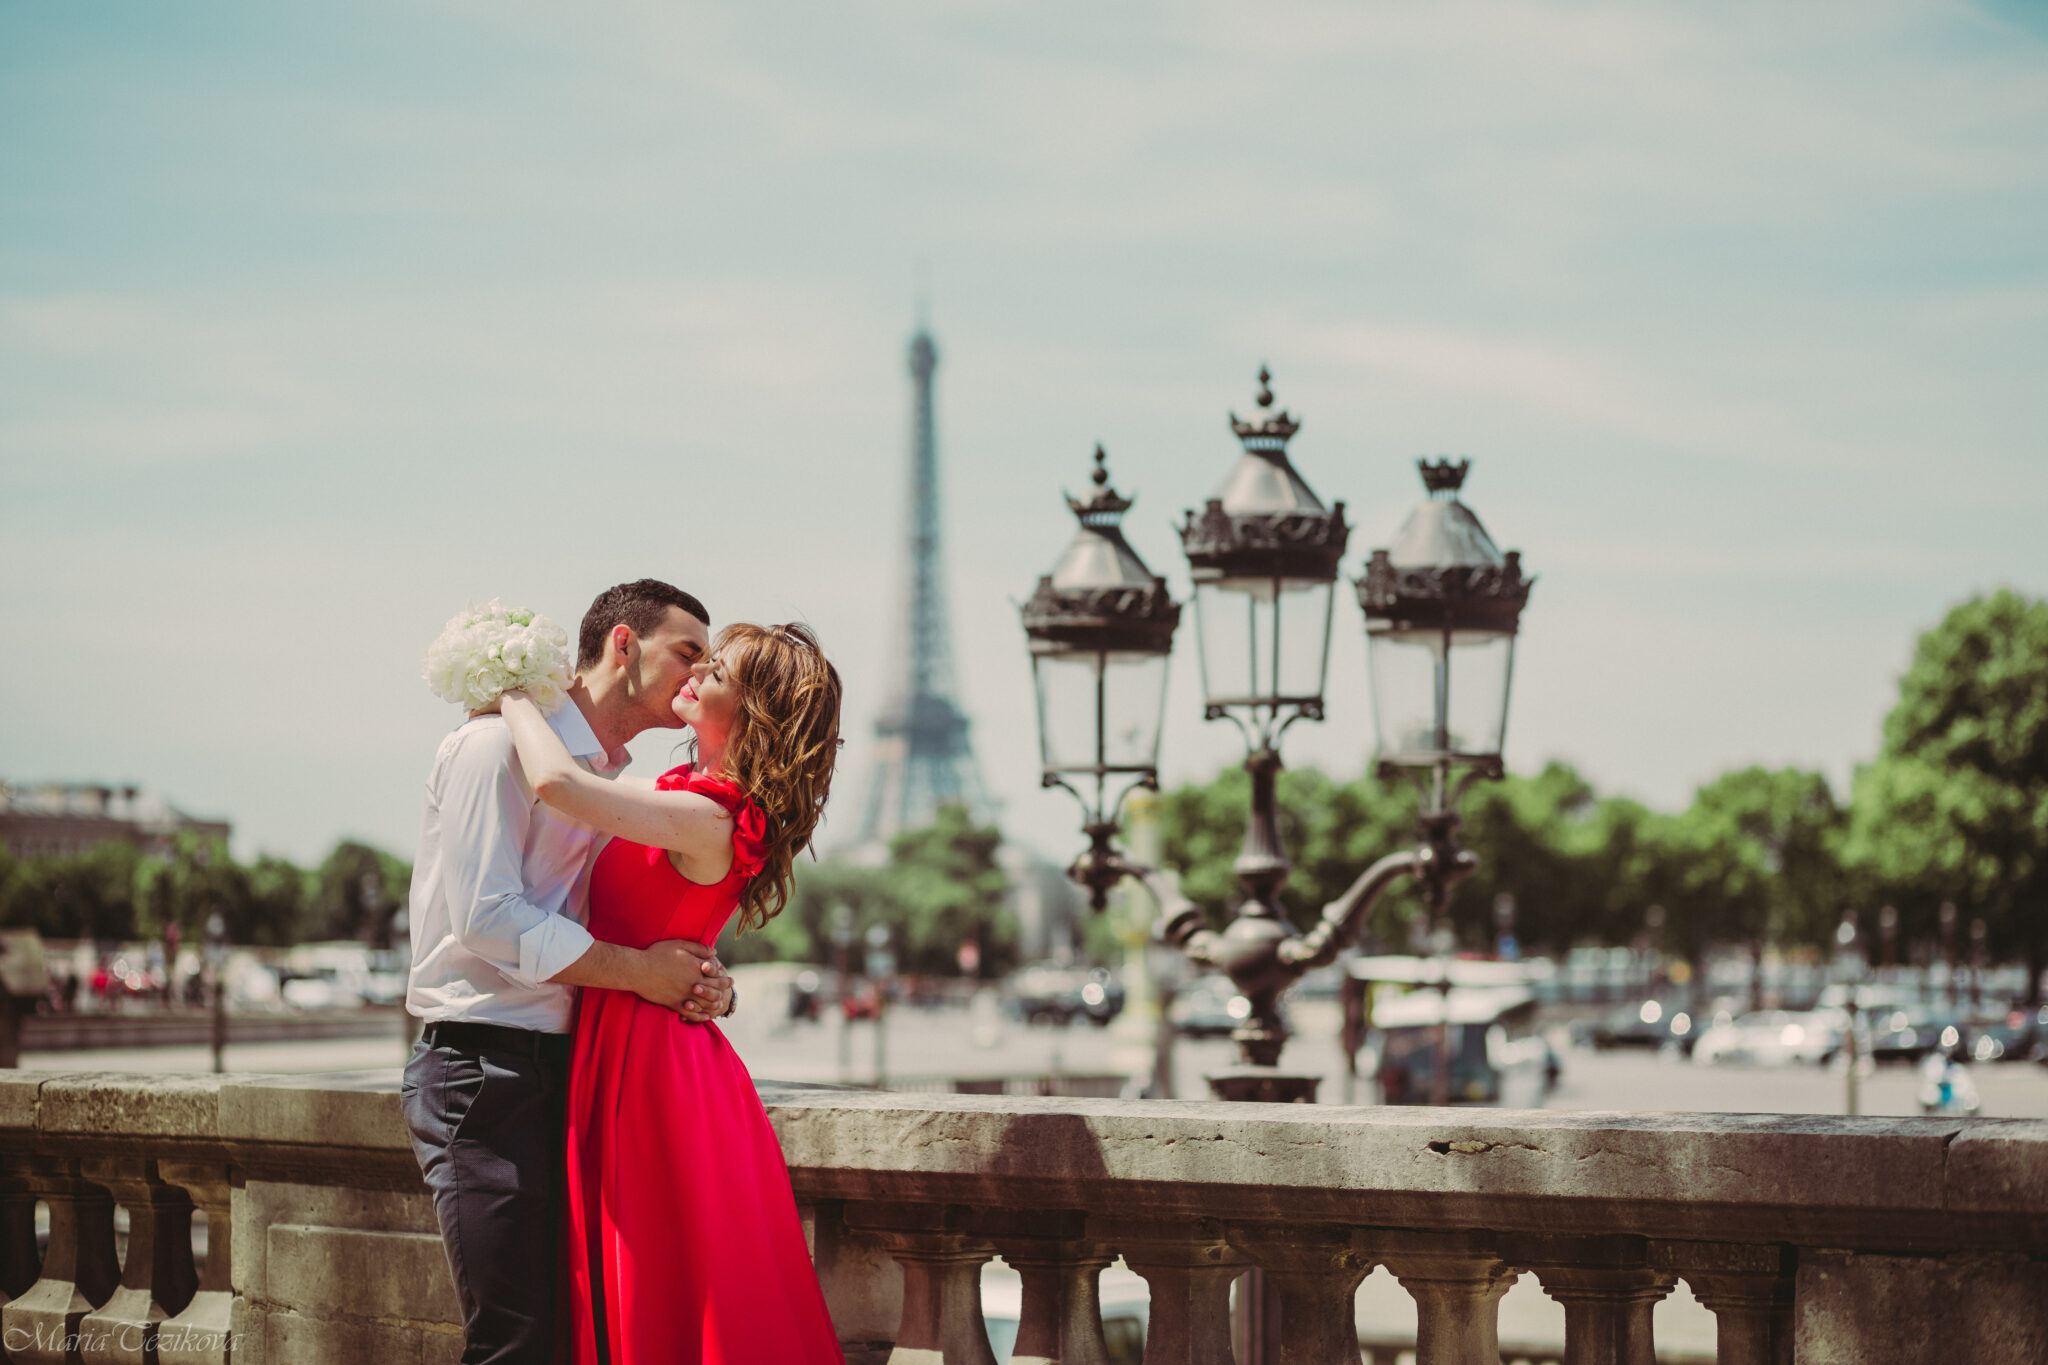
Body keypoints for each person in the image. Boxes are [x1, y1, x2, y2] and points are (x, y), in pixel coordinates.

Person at [401, 579, 737, 1365]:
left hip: (564, 1073)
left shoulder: (598, 780)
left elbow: (621, 918)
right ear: (623, 644)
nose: (699, 673)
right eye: (686, 652)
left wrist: (701, 978)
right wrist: (639, 973)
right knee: (514, 1342)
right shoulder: (491, 746)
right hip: (485, 1071)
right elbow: (487, 918)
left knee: (566, 1337)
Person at [498, 620, 845, 1365]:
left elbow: (556, 783)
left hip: (650, 1066)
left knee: (657, 1280)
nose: (697, 671)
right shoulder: (695, 804)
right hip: (650, 1049)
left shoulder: (707, 814)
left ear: (750, 709)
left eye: (716, 668)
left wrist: (509, 693)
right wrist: (713, 982)